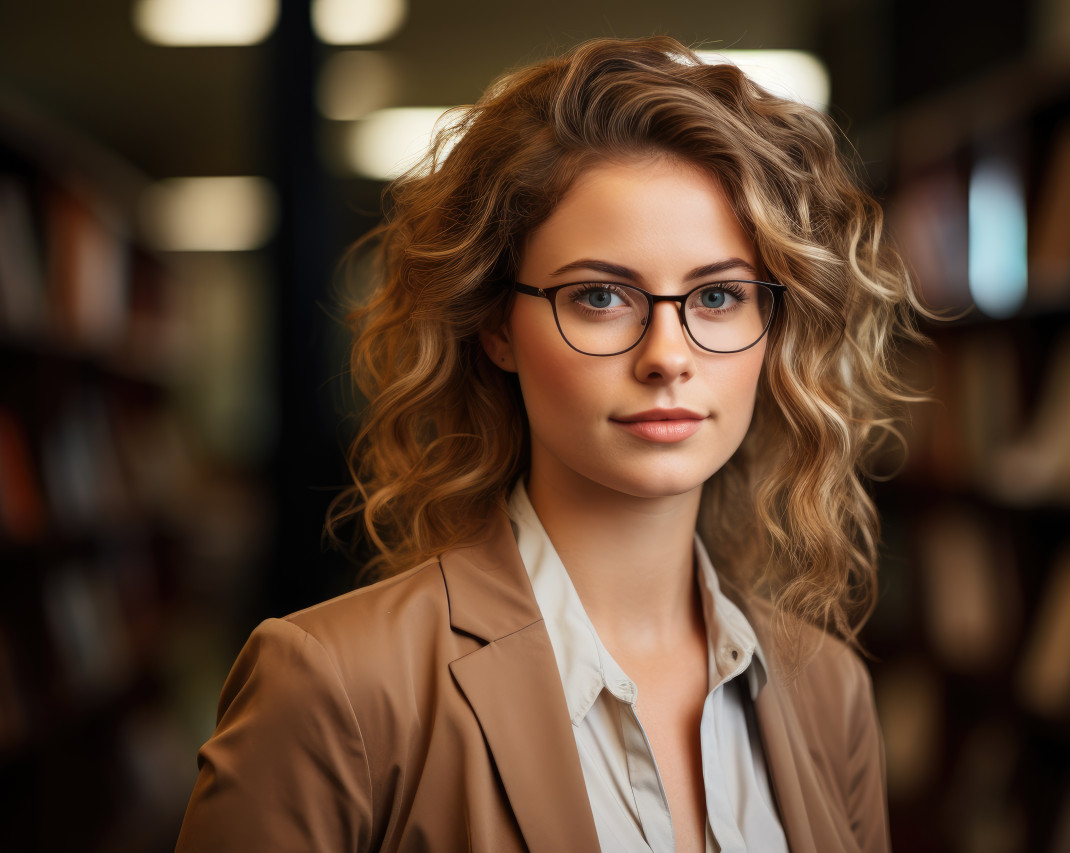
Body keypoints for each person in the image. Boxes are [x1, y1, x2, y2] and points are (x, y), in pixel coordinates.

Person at [175, 35, 922, 853]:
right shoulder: (333, 683)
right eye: (600, 295)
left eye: (717, 296)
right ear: (497, 324)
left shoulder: (830, 691)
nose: (667, 356)